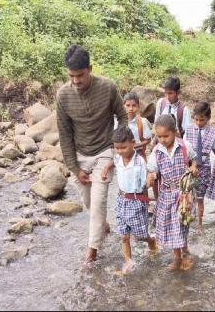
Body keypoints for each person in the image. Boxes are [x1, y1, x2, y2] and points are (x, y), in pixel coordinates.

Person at [56, 44, 127, 265]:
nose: (75, 81)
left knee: (97, 203)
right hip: (79, 155)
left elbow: (123, 117)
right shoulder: (63, 95)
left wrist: (117, 150)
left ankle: (92, 252)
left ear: (90, 69)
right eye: (71, 76)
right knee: (88, 202)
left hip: (105, 151)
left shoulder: (108, 87)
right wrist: (75, 169)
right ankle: (102, 227)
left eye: (80, 75)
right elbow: (65, 134)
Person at [101, 127, 157, 275]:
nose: (120, 151)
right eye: (117, 148)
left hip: (136, 201)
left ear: (133, 143)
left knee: (139, 235)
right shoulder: (118, 158)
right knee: (124, 235)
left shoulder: (140, 162)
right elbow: (113, 161)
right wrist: (106, 167)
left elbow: (146, 183)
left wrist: (149, 182)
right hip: (121, 199)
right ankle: (129, 263)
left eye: (123, 147)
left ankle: (151, 241)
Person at [147, 114, 198, 270]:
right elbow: (152, 171)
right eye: (159, 136)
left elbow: (194, 159)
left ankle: (184, 250)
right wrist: (152, 176)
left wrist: (194, 166)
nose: (162, 140)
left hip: (184, 194)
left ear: (175, 132)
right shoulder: (156, 152)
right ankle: (178, 258)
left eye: (166, 136)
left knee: (183, 224)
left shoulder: (184, 146)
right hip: (167, 195)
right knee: (174, 226)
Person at [183, 102, 215, 229]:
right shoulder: (189, 130)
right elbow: (184, 149)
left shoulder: (213, 132)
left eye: (202, 120)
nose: (198, 122)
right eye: (196, 119)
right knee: (188, 194)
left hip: (204, 168)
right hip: (190, 167)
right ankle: (188, 219)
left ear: (208, 118)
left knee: (200, 197)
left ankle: (200, 223)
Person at [122, 92, 152, 161]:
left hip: (139, 153)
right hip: (123, 153)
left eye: (134, 105)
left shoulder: (142, 121)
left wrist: (137, 145)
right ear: (123, 106)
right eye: (128, 105)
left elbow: (148, 139)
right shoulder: (120, 122)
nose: (131, 108)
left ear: (138, 106)